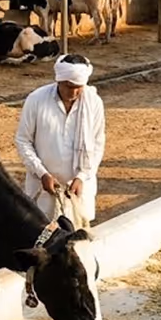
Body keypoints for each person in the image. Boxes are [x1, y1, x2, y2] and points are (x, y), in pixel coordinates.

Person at [15, 54, 106, 223]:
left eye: (79, 87)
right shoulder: (36, 100)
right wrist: (42, 173)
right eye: (69, 86)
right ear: (59, 81)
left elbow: (98, 144)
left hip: (79, 190)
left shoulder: (93, 103)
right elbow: (23, 140)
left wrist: (82, 177)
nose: (74, 92)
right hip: (43, 189)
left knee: (78, 233)